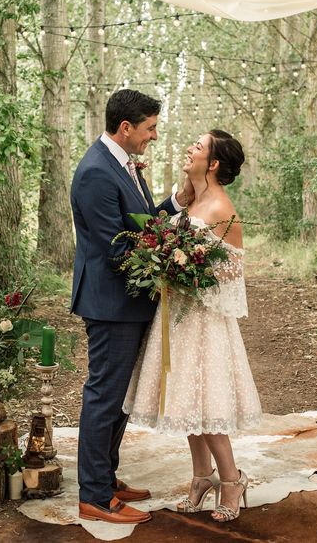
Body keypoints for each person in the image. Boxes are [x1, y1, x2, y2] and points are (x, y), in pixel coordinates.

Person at [125, 129, 262, 523]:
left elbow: (233, 279)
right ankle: (202, 477)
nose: (190, 149)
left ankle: (232, 480)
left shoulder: (222, 208)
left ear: (214, 163)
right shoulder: (191, 199)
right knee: (187, 401)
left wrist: (189, 277)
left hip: (204, 323)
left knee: (208, 405)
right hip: (177, 318)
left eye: (198, 147)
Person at [71, 89, 194, 525]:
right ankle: (95, 497)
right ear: (126, 128)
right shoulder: (95, 173)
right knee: (104, 395)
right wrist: (172, 265)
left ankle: (106, 477)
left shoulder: (123, 165)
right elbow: (116, 249)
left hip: (129, 302)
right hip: (110, 304)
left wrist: (178, 203)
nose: (153, 137)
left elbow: (139, 225)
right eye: (150, 129)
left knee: (119, 396)